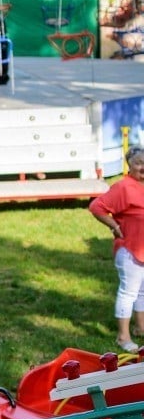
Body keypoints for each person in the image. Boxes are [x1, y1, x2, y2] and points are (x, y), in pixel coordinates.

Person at [90, 145, 144, 353]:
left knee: (142, 292)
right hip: (129, 249)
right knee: (128, 292)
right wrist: (114, 225)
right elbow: (97, 207)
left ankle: (140, 327)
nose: (143, 167)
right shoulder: (123, 187)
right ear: (129, 165)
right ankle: (123, 337)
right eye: (138, 163)